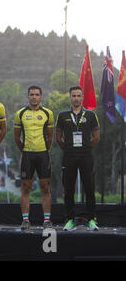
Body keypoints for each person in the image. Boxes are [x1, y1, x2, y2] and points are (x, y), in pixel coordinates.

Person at [55, 86, 100, 231]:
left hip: (86, 155)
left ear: (82, 98)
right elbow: (58, 137)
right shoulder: (62, 115)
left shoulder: (91, 115)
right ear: (70, 97)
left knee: (89, 187)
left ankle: (91, 219)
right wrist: (69, 149)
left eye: (78, 95)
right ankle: (69, 219)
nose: (76, 98)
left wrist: (85, 148)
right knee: (68, 189)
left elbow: (96, 137)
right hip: (69, 155)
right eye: (73, 95)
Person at [14, 86, 54, 231]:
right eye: (32, 94)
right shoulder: (20, 113)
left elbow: (50, 137)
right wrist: (25, 151)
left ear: (41, 97)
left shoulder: (47, 113)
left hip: (43, 154)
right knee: (25, 188)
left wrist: (44, 150)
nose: (34, 97)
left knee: (45, 188)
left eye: (37, 95)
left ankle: (47, 220)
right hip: (27, 155)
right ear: (28, 96)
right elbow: (17, 138)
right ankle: (25, 220)